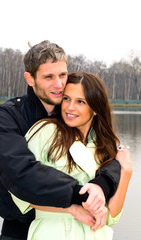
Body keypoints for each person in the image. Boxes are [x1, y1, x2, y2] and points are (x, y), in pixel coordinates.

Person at [0, 41, 121, 240]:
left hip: (76, 229)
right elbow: (20, 173)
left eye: (62, 75)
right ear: (30, 78)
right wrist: (78, 198)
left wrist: (103, 183)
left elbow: (109, 152)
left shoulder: (71, 113)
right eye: (48, 77)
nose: (59, 85)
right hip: (19, 231)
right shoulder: (8, 116)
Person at [11, 71, 132, 240]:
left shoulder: (105, 146)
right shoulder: (45, 133)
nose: (70, 107)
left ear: (96, 108)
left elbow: (111, 215)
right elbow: (23, 192)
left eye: (80, 101)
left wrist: (126, 172)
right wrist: (72, 209)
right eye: (66, 98)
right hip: (52, 233)